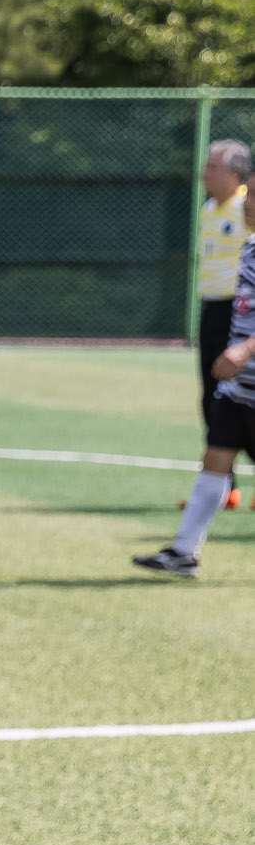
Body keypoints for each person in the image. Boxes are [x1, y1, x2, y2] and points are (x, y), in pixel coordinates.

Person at [143, 220, 255, 577]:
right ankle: (184, 552)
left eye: (253, 194)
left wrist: (244, 351)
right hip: (239, 389)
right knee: (215, 458)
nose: (246, 203)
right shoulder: (250, 246)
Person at [192, 141, 250, 456]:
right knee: (211, 395)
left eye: (212, 168)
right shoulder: (209, 208)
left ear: (233, 173)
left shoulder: (248, 207)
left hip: (240, 312)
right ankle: (223, 485)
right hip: (212, 309)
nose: (204, 174)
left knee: (244, 396)